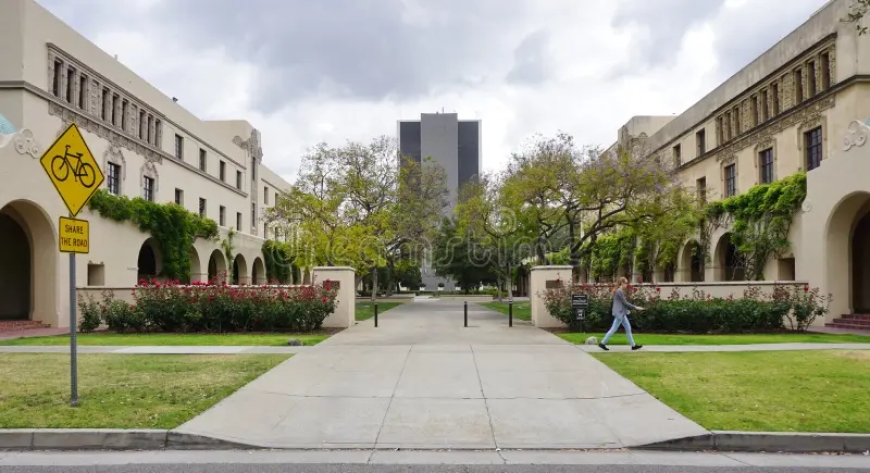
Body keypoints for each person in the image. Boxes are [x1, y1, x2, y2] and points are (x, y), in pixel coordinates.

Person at [598, 276, 644, 351]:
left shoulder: (619, 290)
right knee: (613, 329)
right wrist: (636, 307)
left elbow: (622, 303)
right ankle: (602, 343)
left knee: (628, 328)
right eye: (625, 283)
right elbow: (625, 303)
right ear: (622, 283)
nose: (626, 285)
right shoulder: (619, 291)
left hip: (621, 313)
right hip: (620, 313)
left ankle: (633, 345)